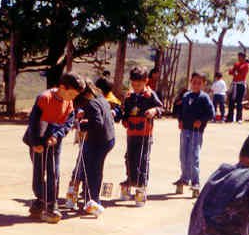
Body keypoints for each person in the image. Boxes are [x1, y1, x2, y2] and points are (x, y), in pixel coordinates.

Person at [22, 72, 84, 223]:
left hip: (54, 141)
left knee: (53, 172)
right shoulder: (44, 98)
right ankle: (40, 199)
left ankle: (52, 204)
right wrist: (35, 143)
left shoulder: (68, 102)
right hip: (38, 139)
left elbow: (68, 123)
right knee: (39, 171)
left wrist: (57, 136)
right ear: (62, 87)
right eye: (71, 94)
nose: (72, 98)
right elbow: (33, 122)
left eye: (75, 96)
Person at [70, 79, 116, 217]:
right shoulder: (100, 98)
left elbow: (97, 123)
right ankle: (90, 198)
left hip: (99, 141)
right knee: (94, 169)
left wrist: (81, 125)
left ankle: (93, 201)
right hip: (108, 139)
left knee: (92, 172)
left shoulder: (91, 103)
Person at [120, 67, 164, 205]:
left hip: (145, 134)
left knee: (142, 159)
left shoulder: (150, 95)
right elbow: (126, 111)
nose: (136, 87)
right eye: (133, 84)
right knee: (129, 158)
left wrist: (154, 110)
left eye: (139, 84)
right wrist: (124, 119)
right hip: (131, 133)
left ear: (146, 81)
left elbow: (161, 108)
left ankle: (141, 186)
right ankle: (130, 179)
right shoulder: (129, 96)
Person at [174, 72, 215, 194]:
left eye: (199, 83)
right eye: (194, 82)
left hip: (196, 132)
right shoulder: (186, 96)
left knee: (193, 156)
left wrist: (201, 121)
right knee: (183, 155)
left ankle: (195, 181)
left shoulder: (204, 98)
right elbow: (180, 110)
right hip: (185, 130)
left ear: (204, 84)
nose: (196, 85)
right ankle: (184, 178)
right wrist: (180, 120)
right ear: (190, 82)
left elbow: (211, 113)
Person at [226, 52, 249, 123]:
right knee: (231, 101)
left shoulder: (246, 65)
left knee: (239, 101)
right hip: (234, 84)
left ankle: (239, 118)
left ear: (243, 57)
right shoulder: (237, 64)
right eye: (238, 57)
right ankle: (230, 117)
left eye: (240, 57)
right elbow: (231, 72)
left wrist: (235, 72)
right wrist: (234, 72)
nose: (239, 58)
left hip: (240, 85)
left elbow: (240, 74)